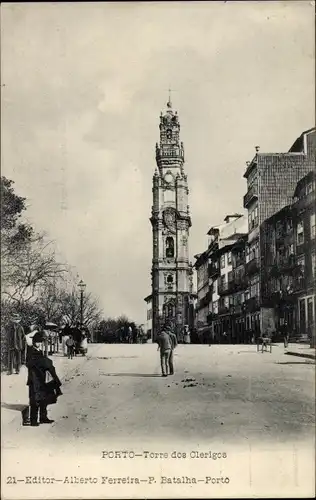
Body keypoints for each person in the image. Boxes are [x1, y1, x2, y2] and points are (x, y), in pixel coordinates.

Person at [25, 332, 62, 426]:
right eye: (37, 342)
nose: (39, 344)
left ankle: (43, 417)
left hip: (41, 377)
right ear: (34, 342)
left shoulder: (39, 350)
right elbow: (29, 363)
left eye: (40, 342)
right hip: (34, 378)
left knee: (43, 397)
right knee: (35, 399)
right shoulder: (30, 351)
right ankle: (33, 420)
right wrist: (42, 362)